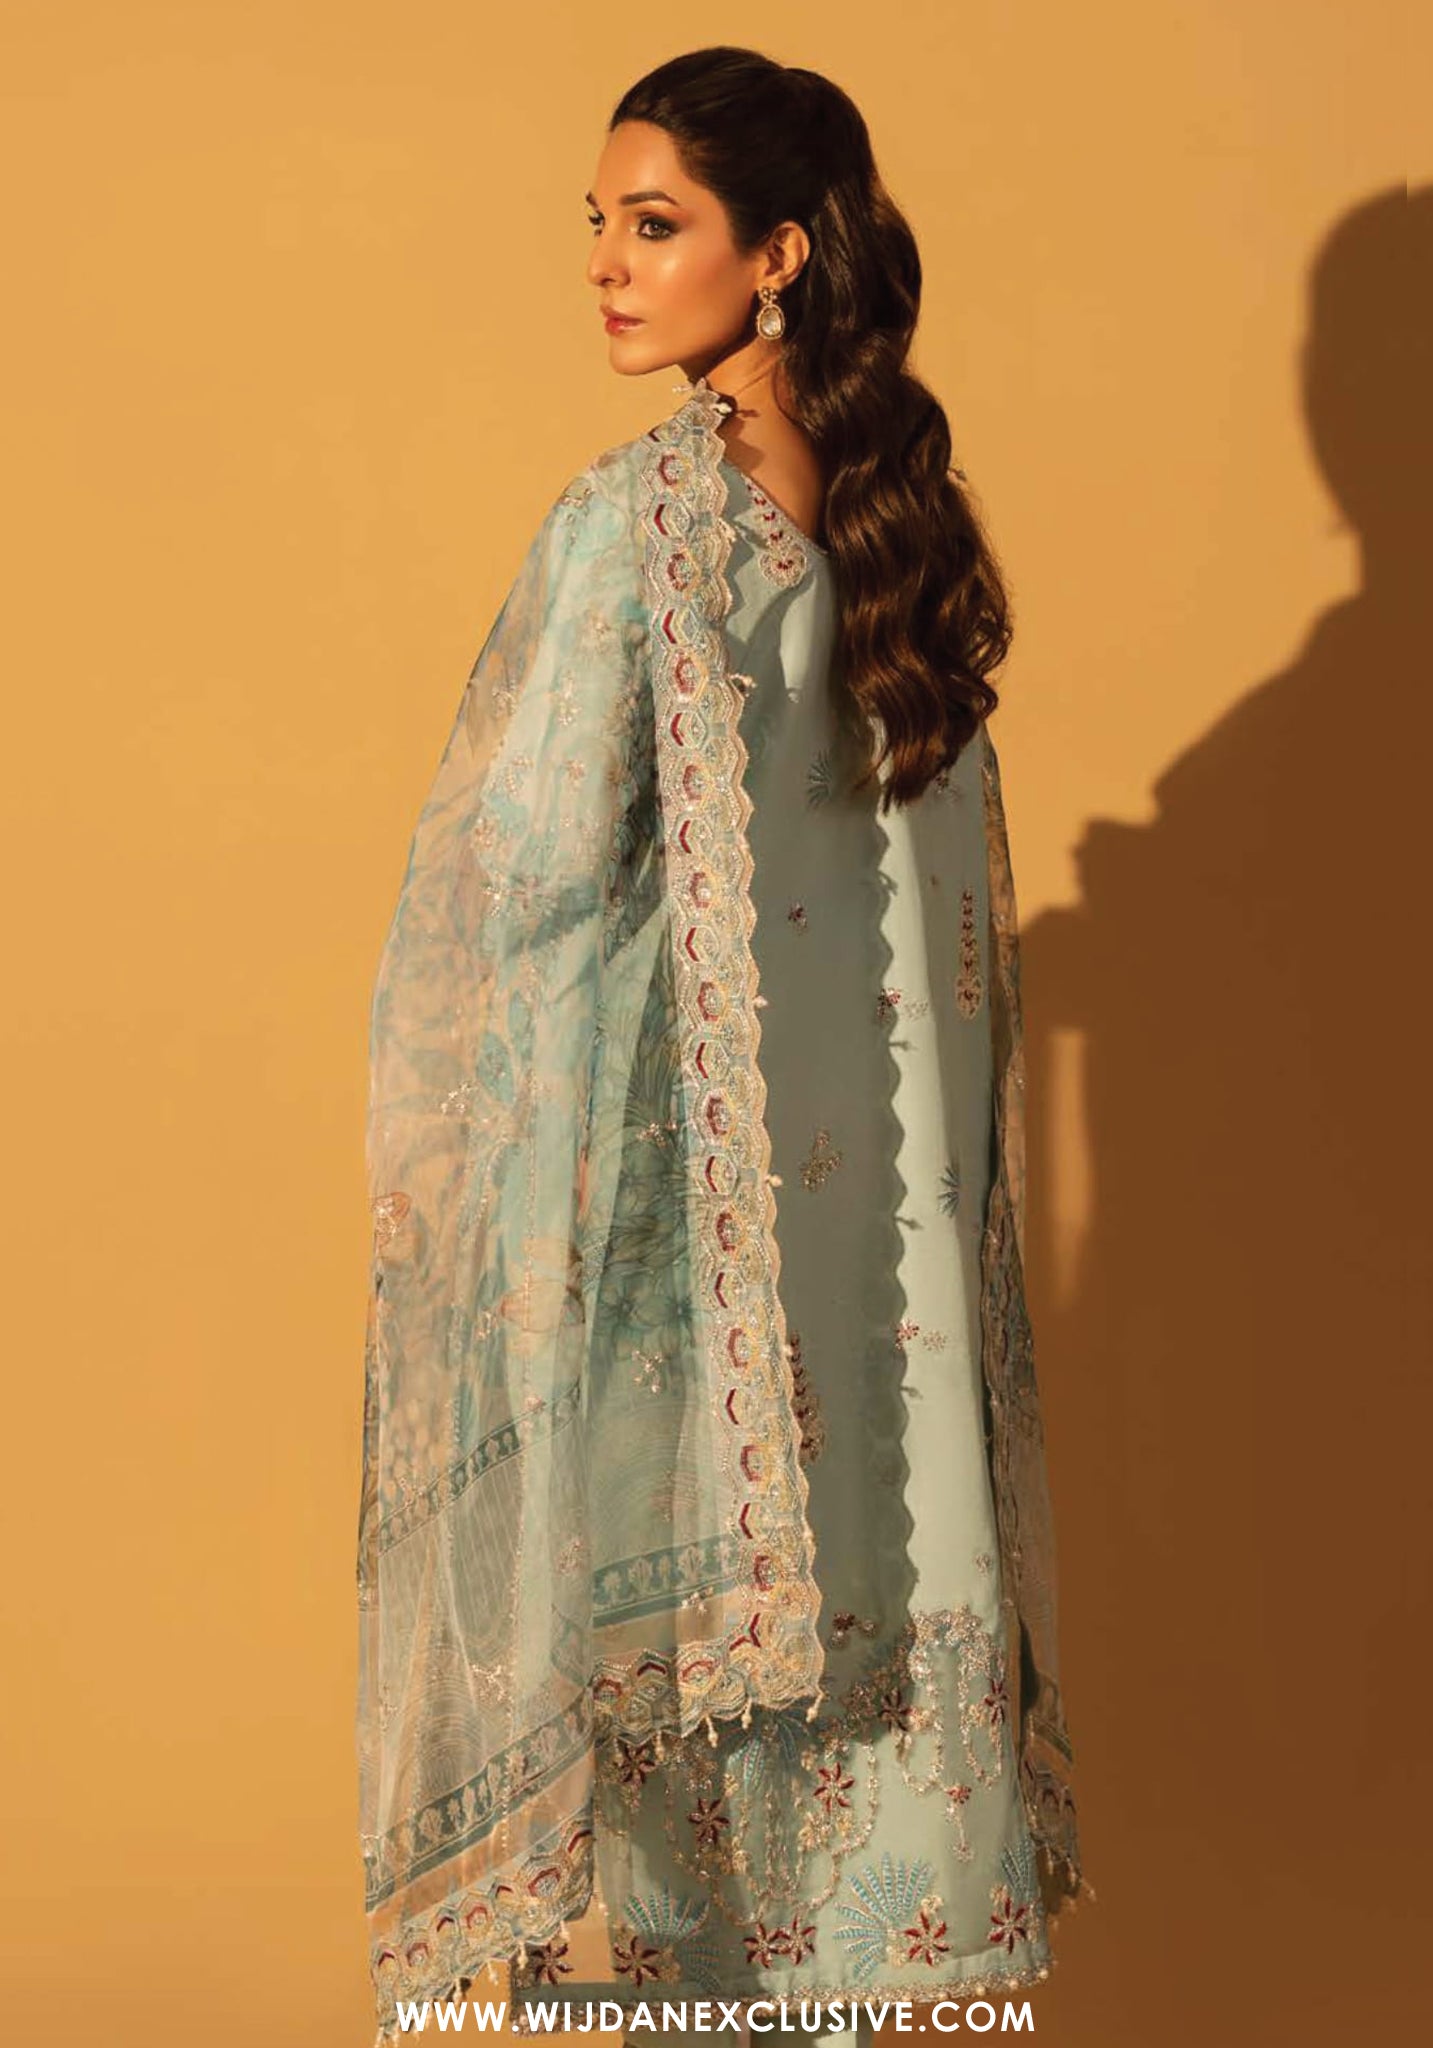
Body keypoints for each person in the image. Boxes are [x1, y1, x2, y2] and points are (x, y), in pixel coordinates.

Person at [355, 46, 1090, 2048]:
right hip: (884, 1286)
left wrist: (457, 1167)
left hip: (695, 1270)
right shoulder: (903, 533)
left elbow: (511, 892)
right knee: (853, 1797)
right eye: (596, 225)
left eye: (653, 223)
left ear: (775, 257)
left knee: (689, 1821)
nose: (606, 264)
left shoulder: (642, 523)